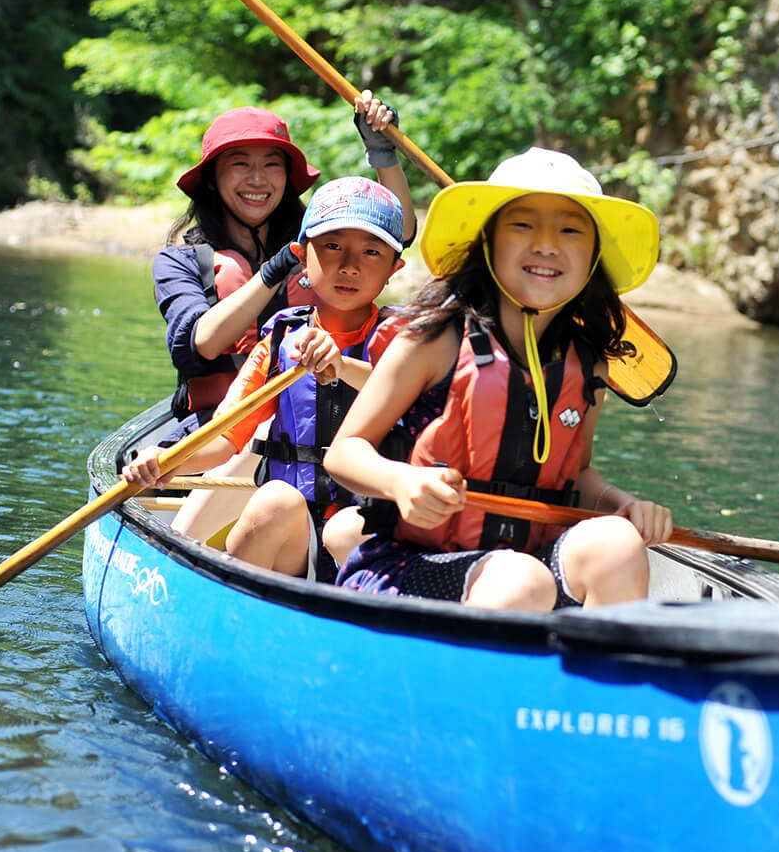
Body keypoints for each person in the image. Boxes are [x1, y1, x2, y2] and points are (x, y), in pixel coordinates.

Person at [323, 147, 674, 611]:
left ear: (593, 257)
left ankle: (605, 677)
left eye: (570, 230)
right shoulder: (435, 338)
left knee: (618, 543)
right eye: (523, 225)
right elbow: (345, 454)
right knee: (522, 580)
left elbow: (579, 473)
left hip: (526, 564)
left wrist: (621, 503)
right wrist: (400, 482)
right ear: (487, 243)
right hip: (409, 564)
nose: (547, 245)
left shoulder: (587, 364)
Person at [125, 176, 409, 581]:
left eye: (371, 251)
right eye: (332, 246)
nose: (349, 265)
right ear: (301, 254)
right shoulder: (280, 341)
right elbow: (225, 438)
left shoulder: (405, 341)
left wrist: (342, 367)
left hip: (368, 532)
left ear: (394, 268)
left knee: (349, 530)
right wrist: (166, 463)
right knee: (274, 499)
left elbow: (407, 397)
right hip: (299, 539)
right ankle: (239, 617)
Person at [152, 95, 415, 437]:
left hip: (315, 414)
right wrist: (273, 271)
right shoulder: (180, 262)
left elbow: (398, 234)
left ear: (287, 178)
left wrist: (383, 154)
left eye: (271, 165)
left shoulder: (317, 249)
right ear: (213, 178)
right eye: (240, 164)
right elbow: (204, 342)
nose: (258, 180)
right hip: (215, 425)